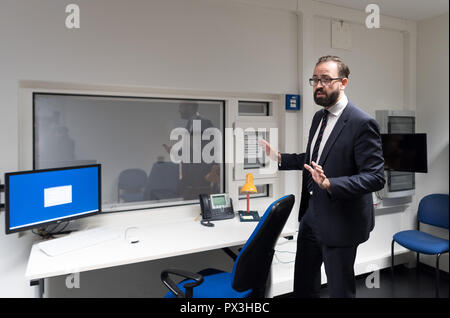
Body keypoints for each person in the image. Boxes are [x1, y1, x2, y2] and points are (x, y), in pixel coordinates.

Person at [259, 55, 385, 298]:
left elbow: (375, 177)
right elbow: (315, 158)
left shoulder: (361, 123)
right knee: (304, 285)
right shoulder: (320, 117)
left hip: (342, 221)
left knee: (339, 292)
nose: (318, 85)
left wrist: (330, 184)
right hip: (311, 216)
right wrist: (280, 157)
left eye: (326, 79)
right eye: (315, 79)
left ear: (343, 82)